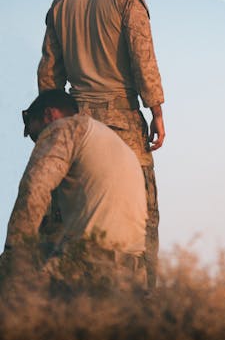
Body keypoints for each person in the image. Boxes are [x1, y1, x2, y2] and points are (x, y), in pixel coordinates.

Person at [37, 0, 164, 288]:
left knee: (68, 213)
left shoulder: (61, 4)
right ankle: (145, 300)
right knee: (142, 215)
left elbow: (48, 74)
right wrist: (157, 112)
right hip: (122, 123)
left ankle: (58, 298)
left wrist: (53, 126)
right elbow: (143, 58)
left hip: (74, 121)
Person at [3, 90, 147, 287]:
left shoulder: (65, 128)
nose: (39, 146)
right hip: (133, 275)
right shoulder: (114, 143)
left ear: (49, 115)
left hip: (90, 265)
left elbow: (33, 191)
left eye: (38, 136)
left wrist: (12, 258)